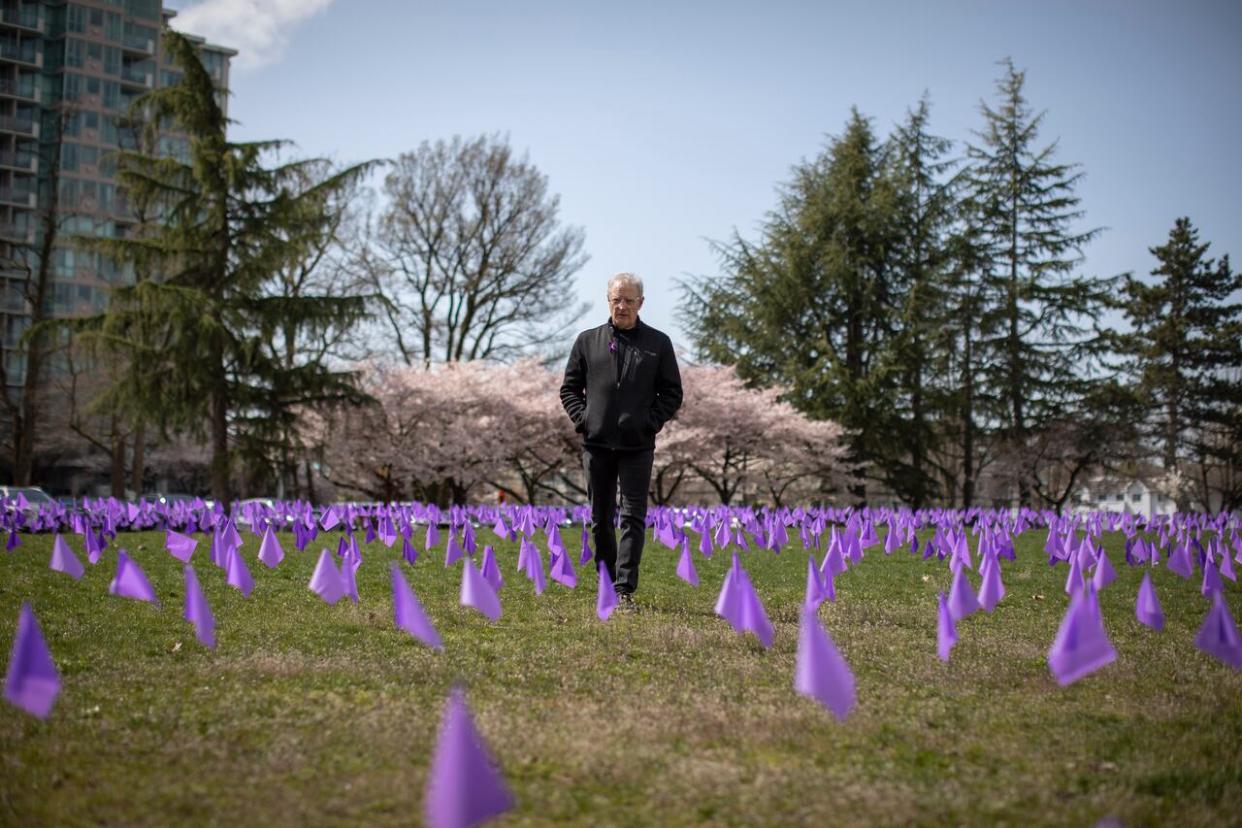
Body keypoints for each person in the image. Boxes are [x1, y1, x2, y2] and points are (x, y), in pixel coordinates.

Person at [560, 272, 682, 611]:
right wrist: (585, 420)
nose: (622, 305)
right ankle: (606, 584)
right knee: (600, 517)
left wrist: (650, 422)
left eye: (629, 300)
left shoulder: (658, 344)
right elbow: (569, 389)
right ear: (608, 300)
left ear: (641, 303)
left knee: (632, 517)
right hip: (596, 446)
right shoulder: (588, 341)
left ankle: (624, 588)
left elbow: (672, 392)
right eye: (617, 299)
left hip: (637, 446)